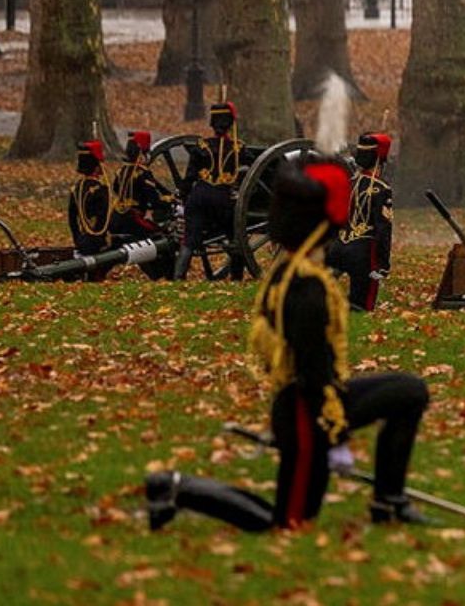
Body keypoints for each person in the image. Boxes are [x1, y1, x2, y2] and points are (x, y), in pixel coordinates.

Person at [144, 157, 432, 530]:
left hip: (320, 398)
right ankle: (175, 488)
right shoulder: (306, 287)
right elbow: (313, 373)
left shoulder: (294, 271)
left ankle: (388, 500)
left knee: (409, 392)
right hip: (307, 411)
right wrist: (335, 432)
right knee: (288, 522)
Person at [176, 102, 249, 281]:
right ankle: (237, 278)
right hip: (223, 200)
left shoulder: (201, 146)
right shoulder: (239, 148)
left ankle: (178, 277)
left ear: (212, 124)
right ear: (230, 124)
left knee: (189, 241)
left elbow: (189, 178)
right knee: (236, 237)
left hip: (199, 197)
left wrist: (184, 199)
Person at [328, 133, 393, 312]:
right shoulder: (382, 189)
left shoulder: (348, 183)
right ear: (381, 160)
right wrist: (383, 265)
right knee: (362, 307)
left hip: (337, 248)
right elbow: (383, 231)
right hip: (364, 255)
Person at [112, 131, 181, 280]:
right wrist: (171, 201)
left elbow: (116, 189)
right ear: (141, 155)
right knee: (164, 241)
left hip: (118, 217)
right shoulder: (142, 174)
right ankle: (165, 274)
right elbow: (156, 201)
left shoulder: (121, 171)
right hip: (133, 221)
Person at [66, 140, 114, 281]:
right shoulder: (101, 190)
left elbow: (72, 218)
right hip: (96, 239)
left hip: (81, 238)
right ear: (96, 166)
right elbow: (103, 219)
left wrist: (77, 238)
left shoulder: (76, 188)